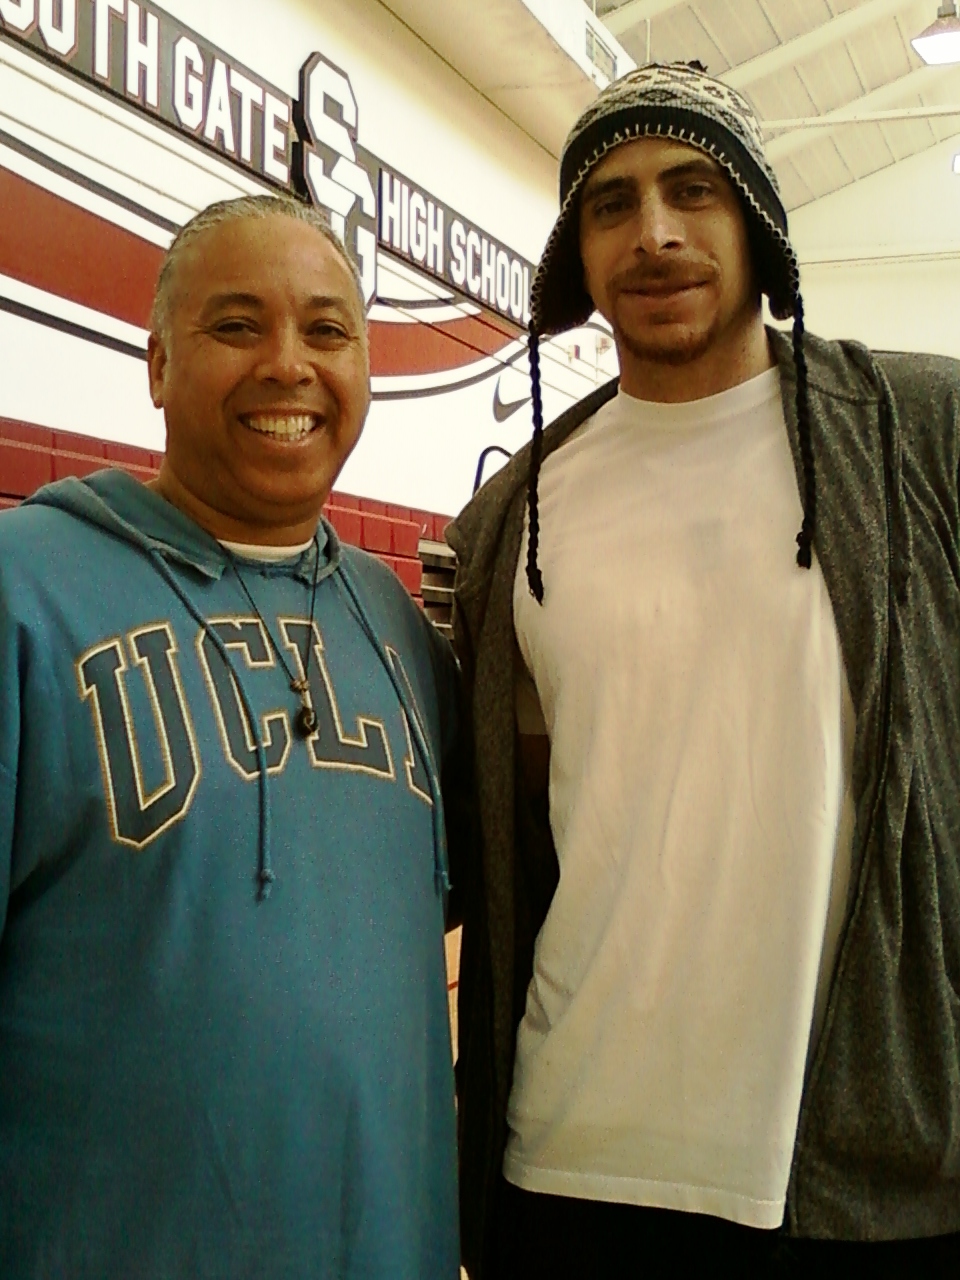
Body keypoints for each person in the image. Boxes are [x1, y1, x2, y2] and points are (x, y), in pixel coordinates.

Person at [447, 62, 960, 1278]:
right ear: (577, 252)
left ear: (760, 222)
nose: (656, 231)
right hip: (574, 1147)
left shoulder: (915, 432)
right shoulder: (509, 518)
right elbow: (513, 811)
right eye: (612, 203)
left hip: (863, 1157)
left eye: (694, 188)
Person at [0, 194, 464, 1279]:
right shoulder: (25, 592)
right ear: (159, 363)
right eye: (238, 325)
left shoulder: (394, 622)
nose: (288, 364)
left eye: (327, 328)